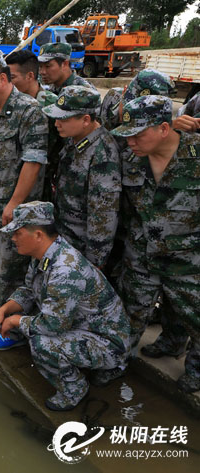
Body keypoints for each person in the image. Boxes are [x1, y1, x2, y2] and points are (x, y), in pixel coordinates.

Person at [0, 201, 130, 411]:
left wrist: (15, 321)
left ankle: (75, 389)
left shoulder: (65, 269)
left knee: (42, 342)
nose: (13, 238)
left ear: (38, 235)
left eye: (18, 233)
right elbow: (29, 291)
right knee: (33, 319)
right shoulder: (44, 254)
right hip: (84, 327)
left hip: (109, 342)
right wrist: (4, 310)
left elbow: (52, 325)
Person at [110, 95, 200, 393]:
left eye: (138, 134)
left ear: (164, 128)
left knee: (195, 318)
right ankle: (115, 363)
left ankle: (196, 369)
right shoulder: (129, 157)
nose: (131, 141)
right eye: (127, 134)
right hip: (142, 255)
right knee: (130, 315)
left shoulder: (196, 155)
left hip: (188, 260)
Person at [0, 49, 48, 338]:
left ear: (2, 79)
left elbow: (34, 161)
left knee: (11, 273)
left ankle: (13, 333)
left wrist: (15, 204)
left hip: (14, 213)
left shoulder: (29, 111)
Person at [41, 86, 121, 269]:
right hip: (65, 237)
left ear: (86, 120)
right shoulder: (74, 139)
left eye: (63, 118)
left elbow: (103, 214)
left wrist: (94, 263)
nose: (56, 123)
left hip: (81, 248)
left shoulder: (103, 154)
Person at [5, 49, 60, 200]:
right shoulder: (9, 104)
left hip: (45, 181)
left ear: (30, 76)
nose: (8, 83)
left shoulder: (51, 105)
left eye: (13, 77)